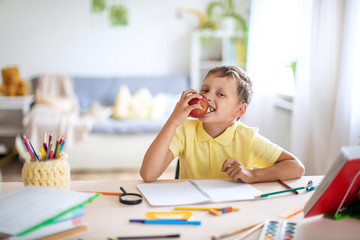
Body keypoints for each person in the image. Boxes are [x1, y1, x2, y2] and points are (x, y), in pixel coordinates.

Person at [140, 66, 305, 183]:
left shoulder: (247, 138)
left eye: (220, 94)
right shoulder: (184, 131)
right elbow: (148, 174)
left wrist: (253, 175)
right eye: (205, 90)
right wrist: (173, 121)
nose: (208, 97)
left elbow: (296, 167)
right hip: (192, 208)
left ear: (239, 111)